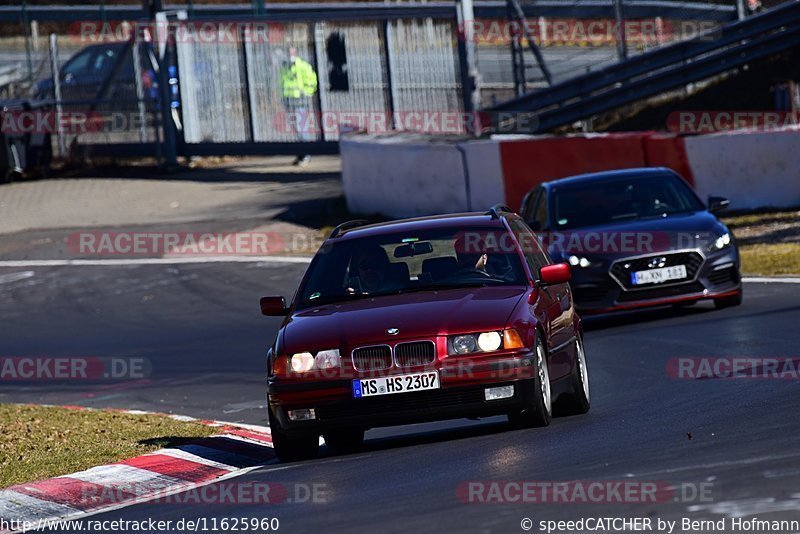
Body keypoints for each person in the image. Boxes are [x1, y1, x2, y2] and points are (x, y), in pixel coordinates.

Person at [280, 47, 318, 166]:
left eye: (291, 52)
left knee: (301, 126)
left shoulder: (303, 66)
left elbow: (312, 81)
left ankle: (305, 154)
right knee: (295, 128)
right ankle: (301, 153)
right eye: (287, 52)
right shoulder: (284, 67)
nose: (288, 54)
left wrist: (306, 92)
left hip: (299, 100)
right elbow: (281, 82)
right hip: (289, 100)